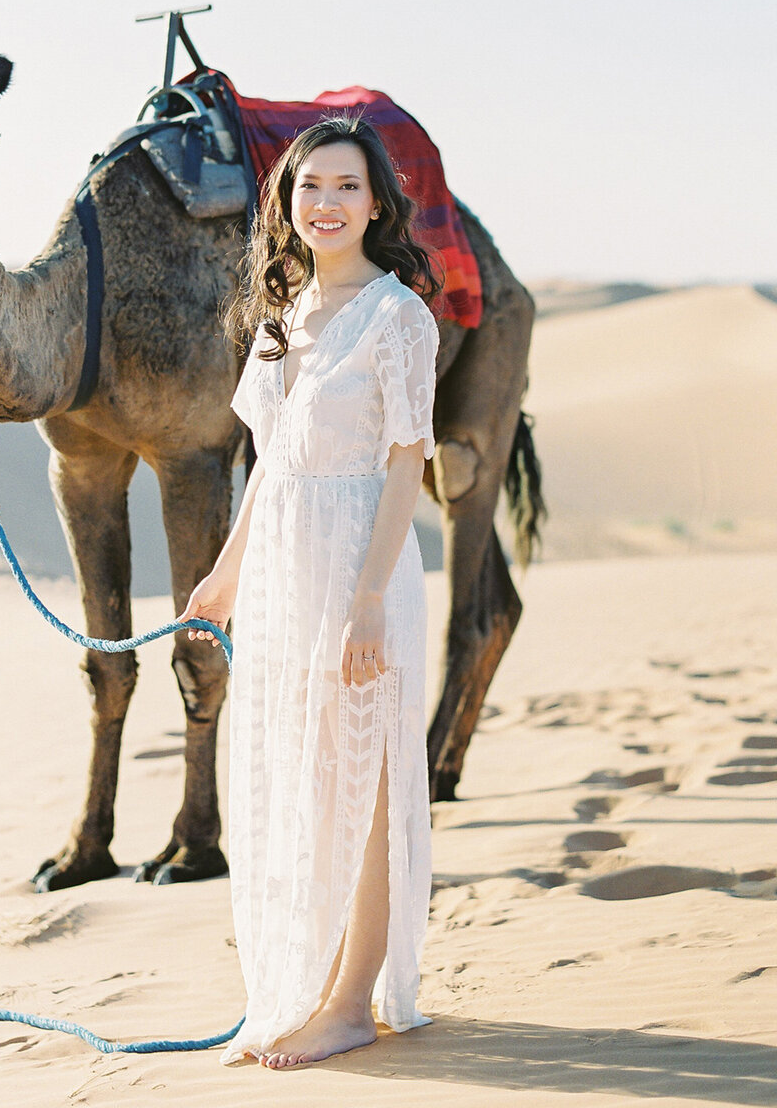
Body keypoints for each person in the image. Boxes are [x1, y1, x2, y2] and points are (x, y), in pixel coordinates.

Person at [180, 113, 441, 1070]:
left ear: (377, 205)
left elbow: (407, 463)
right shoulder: (283, 319)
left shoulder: (398, 316)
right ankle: (307, 984)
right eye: (309, 187)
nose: (325, 203)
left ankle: (351, 1003)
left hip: (357, 566)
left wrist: (369, 599)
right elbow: (272, 465)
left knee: (366, 779)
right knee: (308, 771)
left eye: (345, 187)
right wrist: (226, 571)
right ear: (287, 204)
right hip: (287, 565)